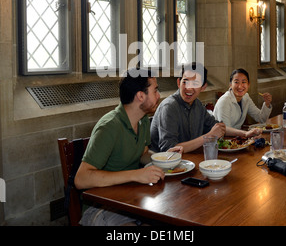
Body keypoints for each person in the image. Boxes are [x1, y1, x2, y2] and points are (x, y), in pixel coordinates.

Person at [75, 68, 181, 226]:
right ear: (140, 95)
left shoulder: (143, 119)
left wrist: (164, 158)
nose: (159, 95)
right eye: (155, 90)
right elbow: (81, 179)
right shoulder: (109, 126)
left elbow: (143, 153)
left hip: (133, 200)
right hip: (103, 207)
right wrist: (136, 175)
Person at [150, 63, 261, 154]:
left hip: (190, 161)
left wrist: (245, 134)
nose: (189, 87)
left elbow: (218, 127)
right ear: (179, 83)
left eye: (195, 83)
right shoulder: (169, 107)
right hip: (165, 171)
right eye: (185, 81)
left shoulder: (197, 104)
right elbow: (169, 150)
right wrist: (209, 136)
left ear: (203, 87)